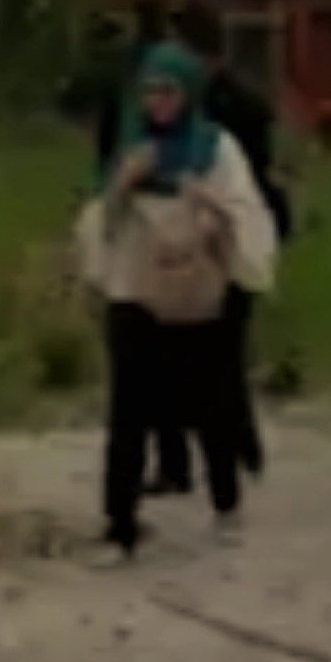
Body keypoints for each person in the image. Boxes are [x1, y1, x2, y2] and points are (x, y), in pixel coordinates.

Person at [75, 43, 281, 559]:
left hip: (194, 296)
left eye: (168, 91)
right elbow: (102, 222)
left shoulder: (216, 149)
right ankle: (120, 525)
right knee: (128, 413)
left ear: (188, 94)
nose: (157, 102)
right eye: (149, 91)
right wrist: (123, 185)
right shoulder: (134, 145)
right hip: (137, 290)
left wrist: (208, 206)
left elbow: (245, 214)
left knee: (209, 407)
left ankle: (226, 501)